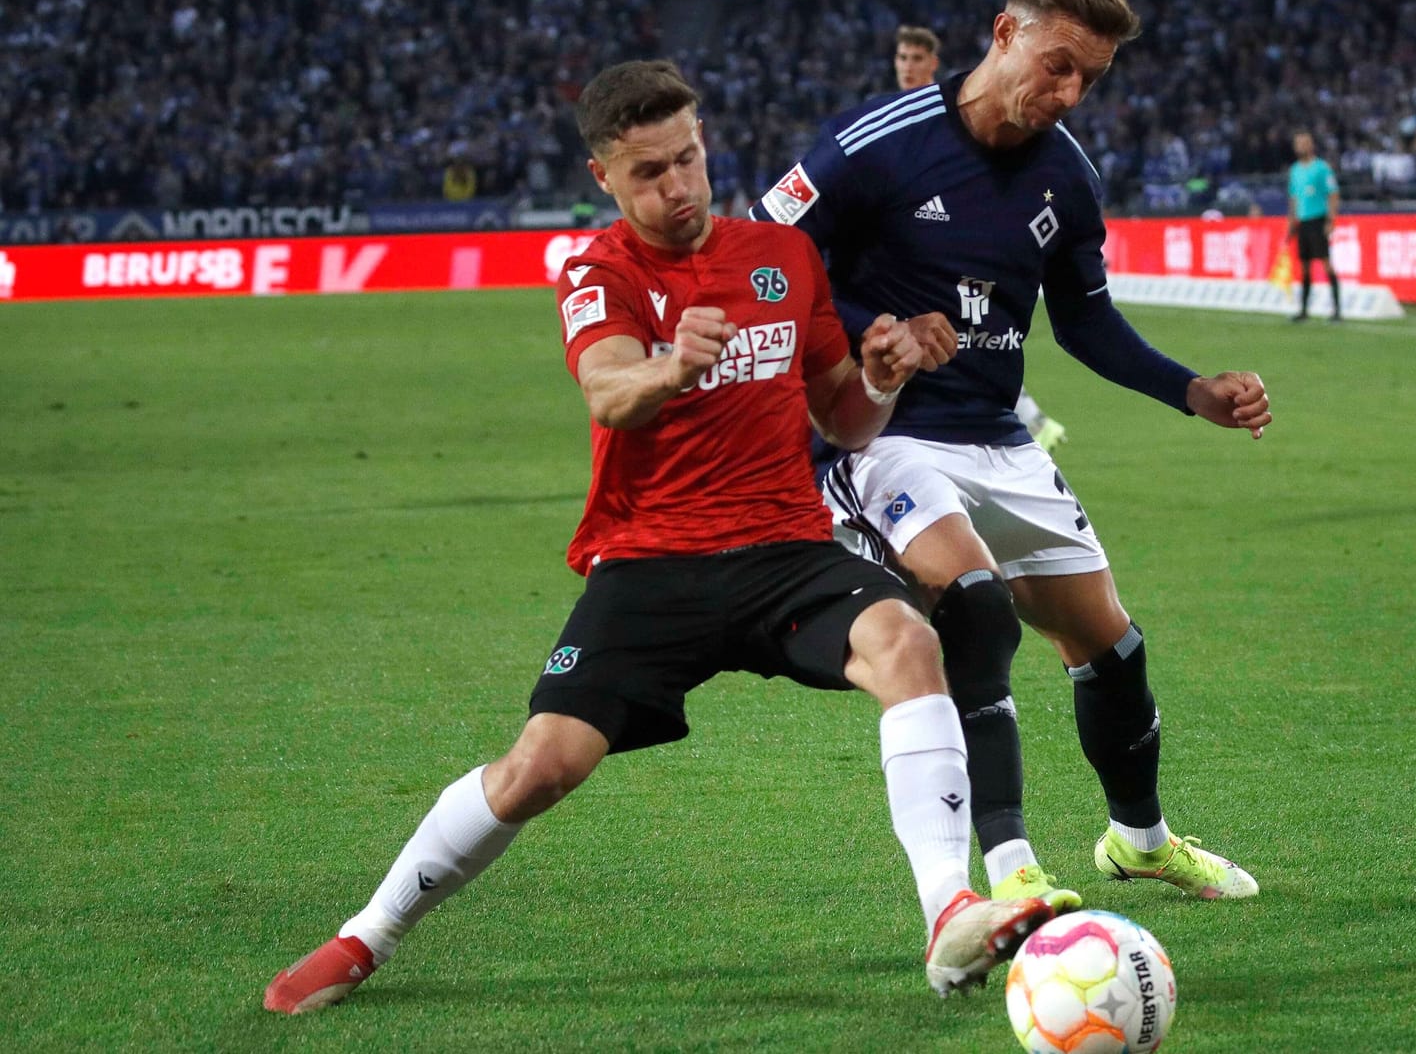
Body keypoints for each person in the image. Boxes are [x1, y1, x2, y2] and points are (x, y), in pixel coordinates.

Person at [261, 60, 1054, 1015]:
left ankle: (948, 914)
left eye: (688, 158)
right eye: (649, 173)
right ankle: (366, 936)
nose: (678, 187)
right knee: (537, 768)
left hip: (783, 550)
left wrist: (883, 375)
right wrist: (671, 366)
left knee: (907, 639)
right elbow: (608, 390)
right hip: (651, 562)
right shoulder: (602, 274)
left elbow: (844, 423)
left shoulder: (781, 257)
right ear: (604, 176)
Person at [754, 0, 1266, 909]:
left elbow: (1088, 325)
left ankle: (1140, 842)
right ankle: (1011, 870)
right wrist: (875, 330)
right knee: (976, 609)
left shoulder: (1067, 175)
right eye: (1057, 66)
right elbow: (760, 261)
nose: (1069, 94)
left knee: (1110, 649)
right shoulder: (875, 145)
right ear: (1003, 33)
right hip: (881, 434)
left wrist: (1191, 392)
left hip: (997, 434)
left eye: (1090, 80)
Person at [895, 23, 1069, 455]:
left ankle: (1030, 423)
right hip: (906, 258)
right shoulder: (890, 119)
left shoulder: (956, 116)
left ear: (932, 63)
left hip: (958, 256)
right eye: (902, 58)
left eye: (916, 58)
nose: (907, 66)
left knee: (974, 344)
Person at [1286, 131, 1341, 322]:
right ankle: (1303, 310)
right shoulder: (1294, 170)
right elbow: (1293, 198)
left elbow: (1333, 194)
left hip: (1318, 219)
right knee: (1305, 267)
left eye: (1303, 143)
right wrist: (1291, 222)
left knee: (1326, 264)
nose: (1300, 146)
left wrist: (1330, 220)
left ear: (1311, 145)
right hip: (1303, 222)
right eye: (1297, 143)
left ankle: (1337, 310)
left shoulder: (1322, 168)